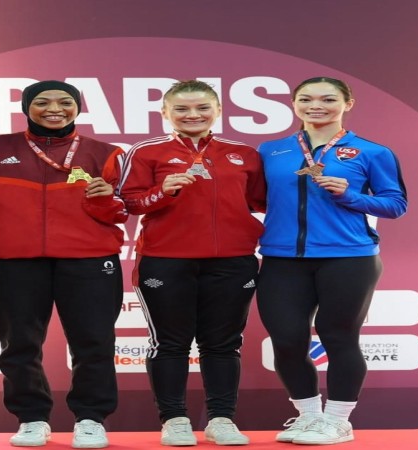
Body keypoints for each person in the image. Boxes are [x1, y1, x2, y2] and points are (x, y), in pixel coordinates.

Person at [0, 80, 127, 449]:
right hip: (13, 260)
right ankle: (31, 418)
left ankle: (91, 418)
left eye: (64, 102)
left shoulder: (106, 153)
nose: (54, 109)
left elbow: (122, 211)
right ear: (26, 107)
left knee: (94, 342)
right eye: (42, 102)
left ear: (78, 108)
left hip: (89, 258)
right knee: (19, 343)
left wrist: (106, 199)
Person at [256, 76, 408, 445]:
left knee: (339, 337)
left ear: (347, 103)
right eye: (306, 99)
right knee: (287, 340)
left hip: (348, 258)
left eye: (328, 99)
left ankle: (338, 421)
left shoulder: (372, 152)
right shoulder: (270, 150)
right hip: (281, 258)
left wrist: (351, 196)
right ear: (294, 104)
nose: (316, 106)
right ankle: (309, 417)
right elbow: (256, 199)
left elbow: (395, 204)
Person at [117, 79, 266, 446]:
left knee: (223, 344)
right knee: (170, 343)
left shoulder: (243, 153)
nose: (192, 115)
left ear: (218, 111)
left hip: (233, 261)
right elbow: (128, 203)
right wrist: (162, 192)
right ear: (165, 112)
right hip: (165, 260)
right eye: (181, 109)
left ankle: (222, 419)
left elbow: (261, 202)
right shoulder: (147, 151)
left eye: (202, 107)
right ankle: (174, 419)